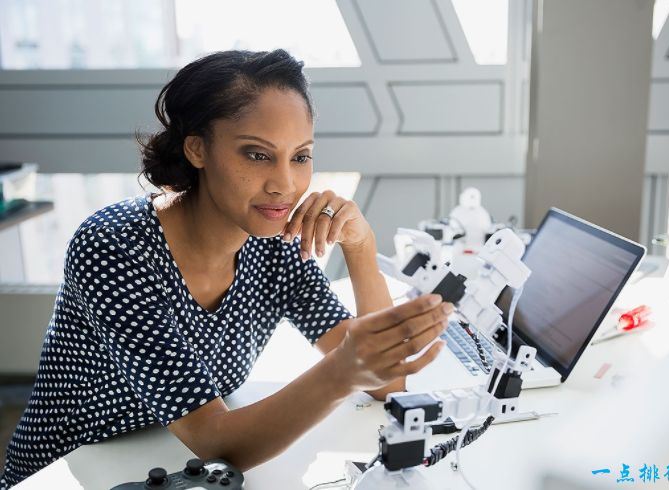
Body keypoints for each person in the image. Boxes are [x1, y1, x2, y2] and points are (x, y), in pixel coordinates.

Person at [0, 49, 452, 488]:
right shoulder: (114, 248)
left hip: (172, 465)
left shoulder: (272, 241)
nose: (285, 184)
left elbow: (387, 381)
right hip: (72, 469)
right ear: (197, 149)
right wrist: (344, 371)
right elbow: (214, 439)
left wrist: (360, 246)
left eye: (300, 156)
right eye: (257, 155)